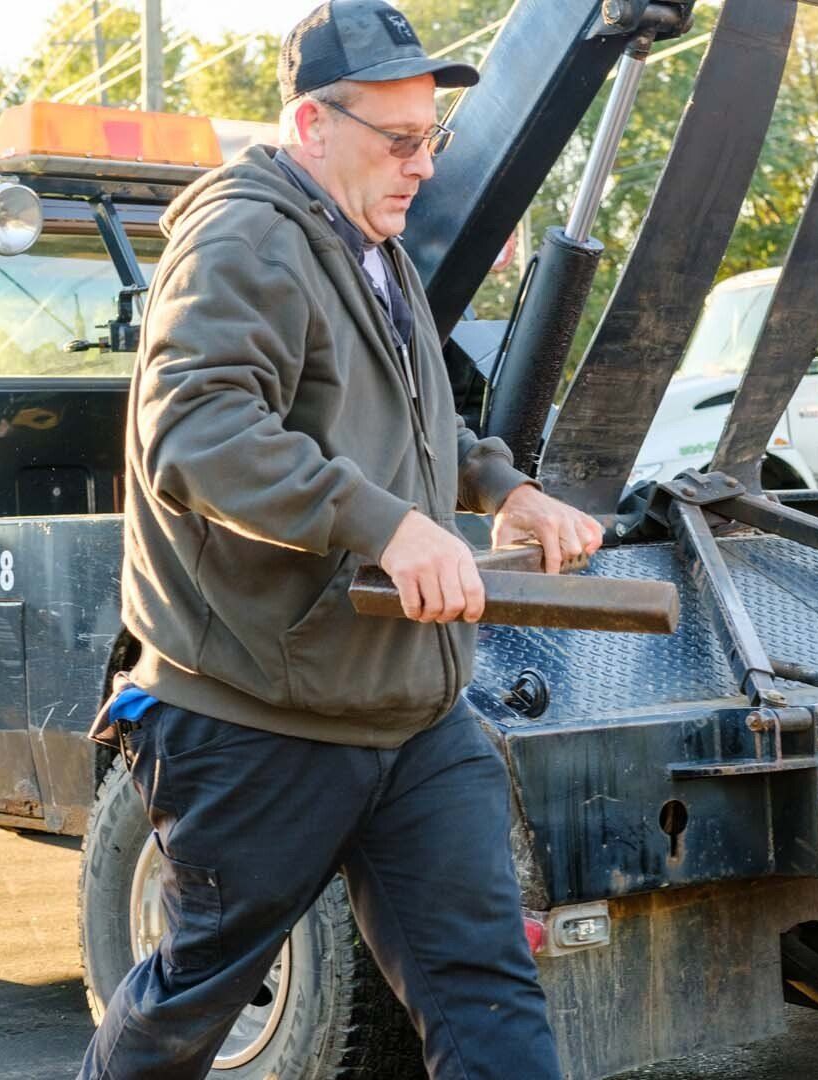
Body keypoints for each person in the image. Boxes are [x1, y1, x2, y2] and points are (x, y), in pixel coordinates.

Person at [77, 2, 602, 1077]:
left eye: (432, 140)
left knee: (485, 986)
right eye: (399, 141)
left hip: (408, 707)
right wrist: (387, 525)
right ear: (313, 124)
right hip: (263, 709)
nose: (422, 165)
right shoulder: (243, 233)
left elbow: (417, 418)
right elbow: (199, 429)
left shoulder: (371, 240)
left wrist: (506, 489)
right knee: (194, 1001)